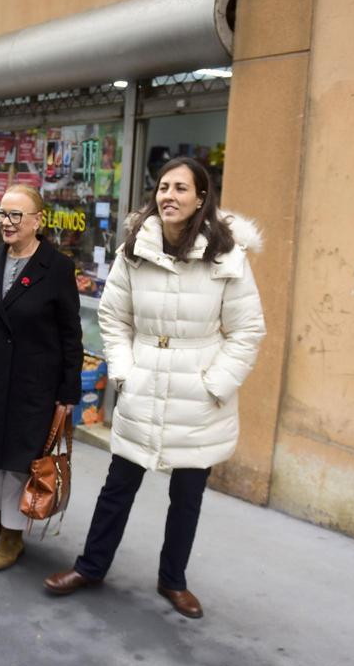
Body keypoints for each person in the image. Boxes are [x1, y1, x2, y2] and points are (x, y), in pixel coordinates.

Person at [43, 157, 266, 620]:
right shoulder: (134, 249)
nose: (169, 196)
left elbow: (247, 331)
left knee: (188, 494)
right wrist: (125, 371)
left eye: (181, 188)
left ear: (202, 198)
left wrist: (215, 385)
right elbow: (112, 315)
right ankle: (91, 566)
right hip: (144, 381)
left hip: (198, 391)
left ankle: (173, 581)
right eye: (164, 187)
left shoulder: (228, 256)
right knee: (119, 484)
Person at [0, 184, 83, 571]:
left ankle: (13, 535)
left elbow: (69, 334)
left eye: (16, 215)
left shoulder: (57, 268)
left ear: (38, 220)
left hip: (32, 385)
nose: (6, 223)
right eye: (2, 214)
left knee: (17, 462)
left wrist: (68, 389)